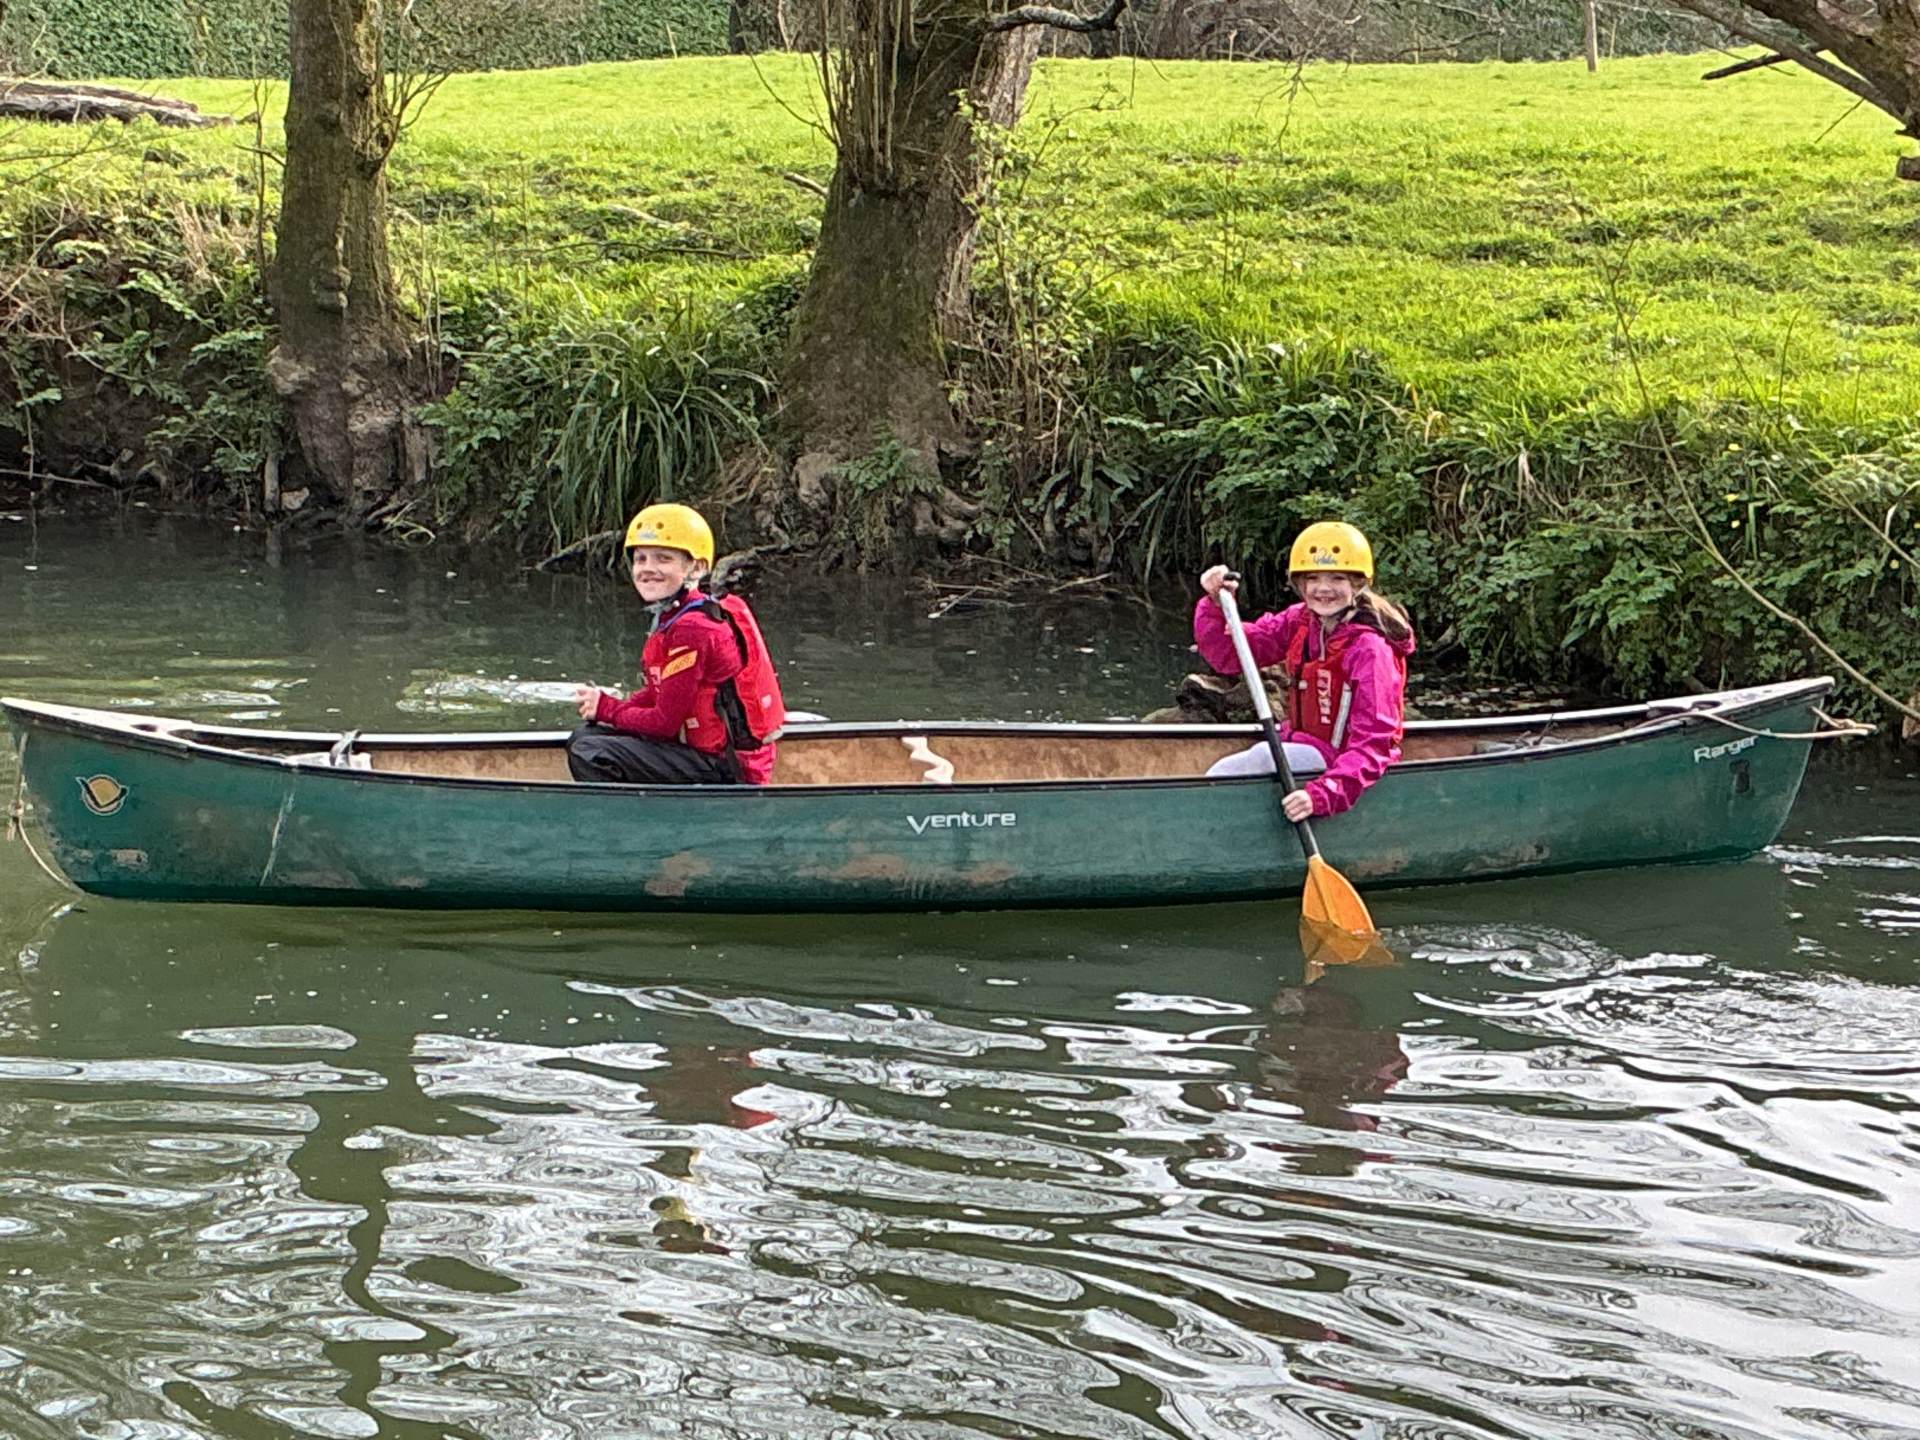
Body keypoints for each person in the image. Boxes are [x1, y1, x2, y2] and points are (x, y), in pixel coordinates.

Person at [1194, 520, 1415, 821]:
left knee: (1259, 759)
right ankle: (1202, 820)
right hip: (1303, 744)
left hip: (1342, 765)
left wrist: (1321, 795)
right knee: (1238, 765)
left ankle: (1200, 822)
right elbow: (1231, 655)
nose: (1323, 589)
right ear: (1300, 584)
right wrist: (1215, 605)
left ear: (1358, 584)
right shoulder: (1301, 621)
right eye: (1312, 578)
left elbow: (1375, 744)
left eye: (1337, 578)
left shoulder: (1370, 650)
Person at [568, 502, 786, 785]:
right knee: (584, 736)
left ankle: (637, 814)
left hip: (727, 766)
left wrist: (607, 709)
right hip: (703, 755)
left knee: (589, 752)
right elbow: (660, 694)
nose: (648, 569)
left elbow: (664, 723)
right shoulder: (677, 615)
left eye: (663, 559)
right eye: (641, 559)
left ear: (697, 567)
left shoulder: (693, 628)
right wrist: (609, 706)